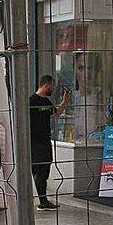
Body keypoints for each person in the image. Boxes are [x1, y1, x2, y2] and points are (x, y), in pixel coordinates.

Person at [30, 74, 70, 210]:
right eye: (52, 86)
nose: (53, 89)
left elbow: (56, 114)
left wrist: (65, 102)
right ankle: (42, 201)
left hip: (46, 140)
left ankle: (44, 200)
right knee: (39, 171)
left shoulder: (46, 102)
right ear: (46, 85)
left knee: (45, 169)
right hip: (35, 142)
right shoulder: (32, 101)